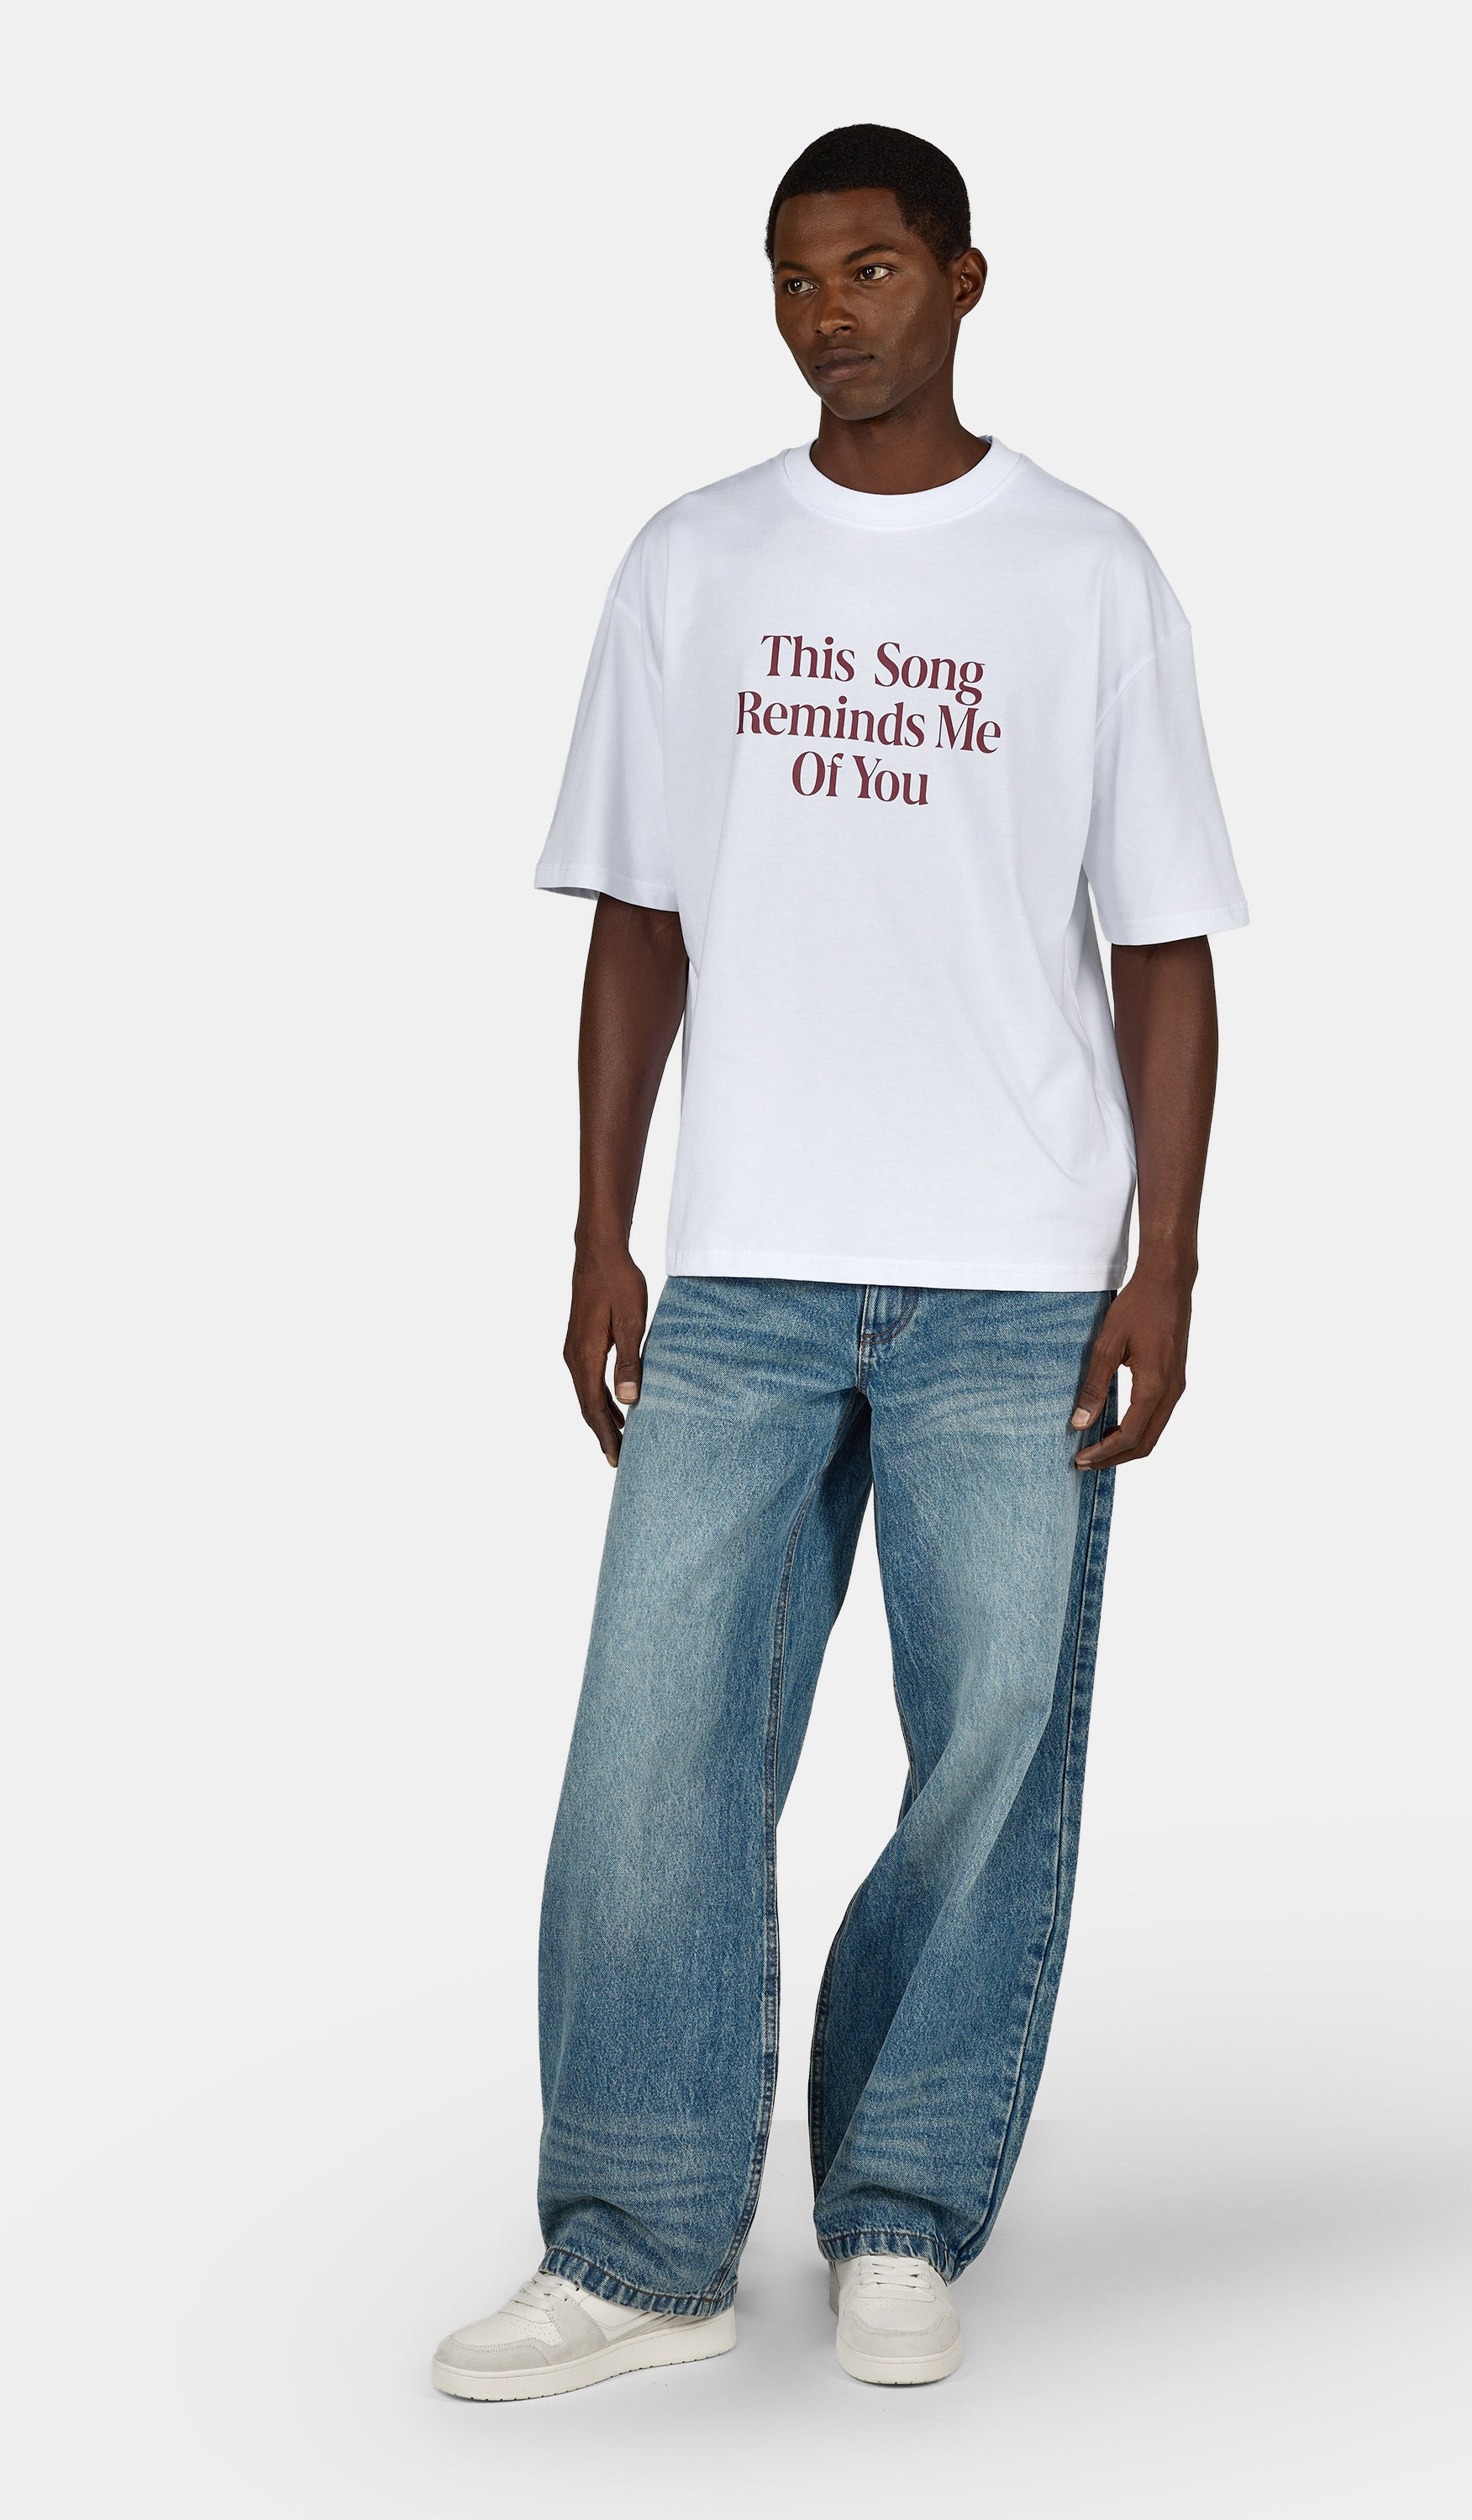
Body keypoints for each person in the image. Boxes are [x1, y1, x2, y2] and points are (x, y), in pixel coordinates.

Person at [433, 121, 1246, 2401]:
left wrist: (1167, 1264)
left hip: (1017, 1263)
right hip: (749, 1263)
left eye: (873, 269)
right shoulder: (692, 560)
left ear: (964, 281)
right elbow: (638, 922)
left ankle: (900, 2208)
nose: (829, 313)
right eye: (796, 276)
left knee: (988, 1747)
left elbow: (1164, 947)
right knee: (654, 1749)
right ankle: (637, 2243)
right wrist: (600, 1231)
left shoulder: (1085, 571)